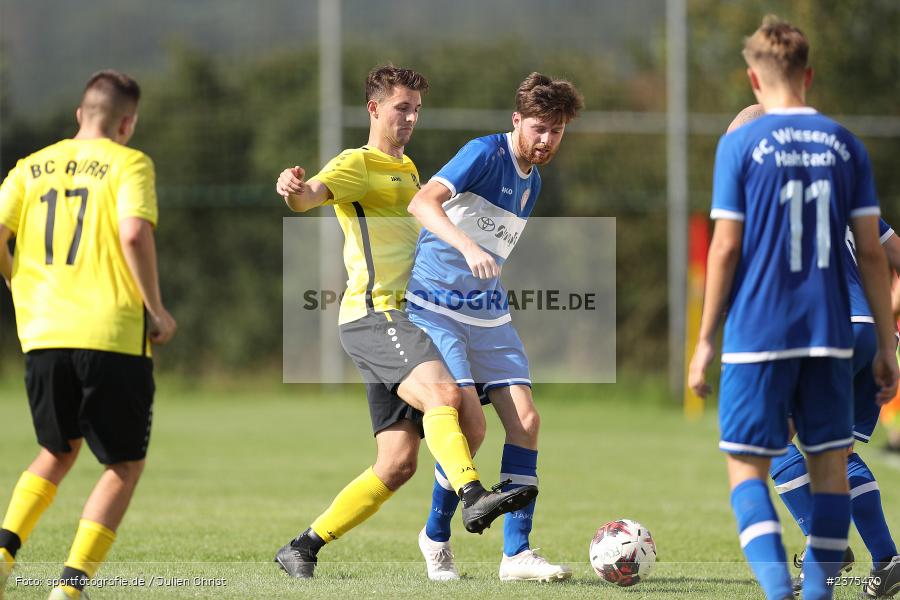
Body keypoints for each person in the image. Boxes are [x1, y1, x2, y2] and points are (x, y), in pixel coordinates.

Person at [272, 65, 537, 579]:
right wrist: (293, 189)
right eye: (402, 107)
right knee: (446, 399)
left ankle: (302, 547)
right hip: (376, 315)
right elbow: (309, 197)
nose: (411, 117)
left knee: (398, 463)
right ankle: (473, 495)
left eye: (417, 108)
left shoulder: (412, 169)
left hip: (413, 315)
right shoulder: (357, 163)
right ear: (374, 108)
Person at [688, 17, 898, 600]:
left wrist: (706, 341)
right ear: (808, 75)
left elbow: (726, 246)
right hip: (835, 331)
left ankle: (784, 590)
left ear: (754, 79)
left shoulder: (742, 145)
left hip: (764, 329)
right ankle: (835, 582)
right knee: (831, 463)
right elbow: (881, 258)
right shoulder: (845, 147)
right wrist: (888, 341)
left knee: (754, 461)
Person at [0, 70, 177, 600]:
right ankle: (70, 590)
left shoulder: (29, 168)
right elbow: (133, 232)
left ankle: (4, 556)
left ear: (81, 114)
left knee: (56, 449)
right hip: (111, 333)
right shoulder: (130, 162)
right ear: (127, 122)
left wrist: (17, 278)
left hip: (42, 332)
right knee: (122, 464)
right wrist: (157, 309)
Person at [404, 72, 583, 582]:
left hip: (489, 315)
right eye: (539, 128)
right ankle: (436, 536)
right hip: (436, 307)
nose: (547, 139)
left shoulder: (535, 182)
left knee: (526, 421)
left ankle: (516, 555)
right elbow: (422, 202)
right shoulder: (484, 153)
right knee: (468, 426)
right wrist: (467, 246)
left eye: (557, 130)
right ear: (517, 121)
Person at [728, 104, 900, 599]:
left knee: (768, 440)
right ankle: (887, 558)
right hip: (872, 332)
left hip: (824, 330)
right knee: (837, 449)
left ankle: (825, 544)